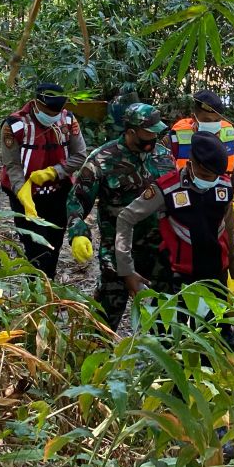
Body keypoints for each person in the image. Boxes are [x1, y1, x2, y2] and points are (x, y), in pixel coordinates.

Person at [115, 131, 234, 329]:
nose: (210, 181)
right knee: (170, 333)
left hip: (215, 274)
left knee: (214, 331)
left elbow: (229, 227)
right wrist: (126, 270)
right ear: (191, 164)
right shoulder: (167, 188)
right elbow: (126, 218)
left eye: (215, 176)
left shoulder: (223, 185)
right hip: (178, 276)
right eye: (205, 175)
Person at [67, 103, 173, 331]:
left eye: (156, 132)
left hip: (159, 250)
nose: (154, 138)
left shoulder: (163, 155)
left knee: (163, 315)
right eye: (148, 133)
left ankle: (159, 350)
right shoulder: (102, 159)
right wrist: (78, 232)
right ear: (131, 131)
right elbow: (77, 200)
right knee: (106, 315)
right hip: (117, 250)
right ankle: (94, 349)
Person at [0, 83, 88, 278]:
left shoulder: (68, 120)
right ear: (36, 103)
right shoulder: (15, 125)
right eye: (48, 112)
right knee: (35, 248)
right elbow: (12, 164)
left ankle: (49, 283)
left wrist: (54, 172)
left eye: (57, 112)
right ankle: (36, 285)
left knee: (54, 243)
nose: (53, 116)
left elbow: (80, 155)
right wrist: (22, 192)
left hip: (58, 192)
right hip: (26, 195)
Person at [166, 90, 234, 173]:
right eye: (207, 120)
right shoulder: (176, 137)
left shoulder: (229, 132)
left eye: (217, 120)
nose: (212, 124)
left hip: (224, 181)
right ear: (194, 118)